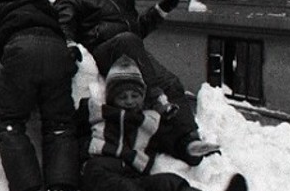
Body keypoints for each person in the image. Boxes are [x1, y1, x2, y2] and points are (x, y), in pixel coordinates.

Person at [54, 0, 209, 165]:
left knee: (171, 83)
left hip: (131, 47)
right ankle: (156, 98)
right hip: (104, 50)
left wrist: (158, 12)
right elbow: (63, 26)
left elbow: (136, 29)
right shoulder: (69, 0)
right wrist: (68, 44)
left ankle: (188, 142)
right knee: (129, 44)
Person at [77, 55, 248, 191]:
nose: (129, 101)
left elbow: (171, 140)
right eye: (122, 97)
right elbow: (70, 133)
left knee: (170, 182)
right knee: (103, 175)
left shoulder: (149, 121)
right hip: (101, 172)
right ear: (112, 98)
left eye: (134, 96)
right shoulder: (98, 112)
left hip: (134, 177)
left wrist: (190, 147)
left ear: (142, 97)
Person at [0, 0, 79, 191]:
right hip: (57, 53)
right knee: (60, 125)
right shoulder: (38, 6)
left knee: (8, 123)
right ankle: (62, 186)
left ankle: (27, 186)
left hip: (21, 53)